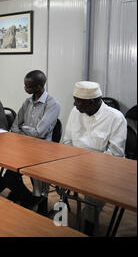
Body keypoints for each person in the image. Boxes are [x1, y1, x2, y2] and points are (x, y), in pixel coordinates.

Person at [63, 81, 127, 236]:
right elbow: (67, 141)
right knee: (47, 177)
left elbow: (115, 154)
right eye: (74, 99)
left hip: (104, 170)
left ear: (93, 102)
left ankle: (88, 230)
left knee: (91, 198)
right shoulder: (75, 111)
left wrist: (87, 166)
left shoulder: (115, 118)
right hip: (75, 165)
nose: (75, 104)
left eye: (79, 101)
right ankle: (51, 222)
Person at [4, 70, 61, 210]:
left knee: (38, 177)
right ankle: (26, 197)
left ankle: (39, 202)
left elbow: (39, 133)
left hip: (42, 149)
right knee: (9, 176)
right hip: (23, 146)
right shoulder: (27, 102)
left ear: (39, 86)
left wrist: (23, 128)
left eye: (28, 86)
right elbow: (15, 126)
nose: (25, 89)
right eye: (25, 85)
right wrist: (25, 129)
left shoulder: (53, 104)